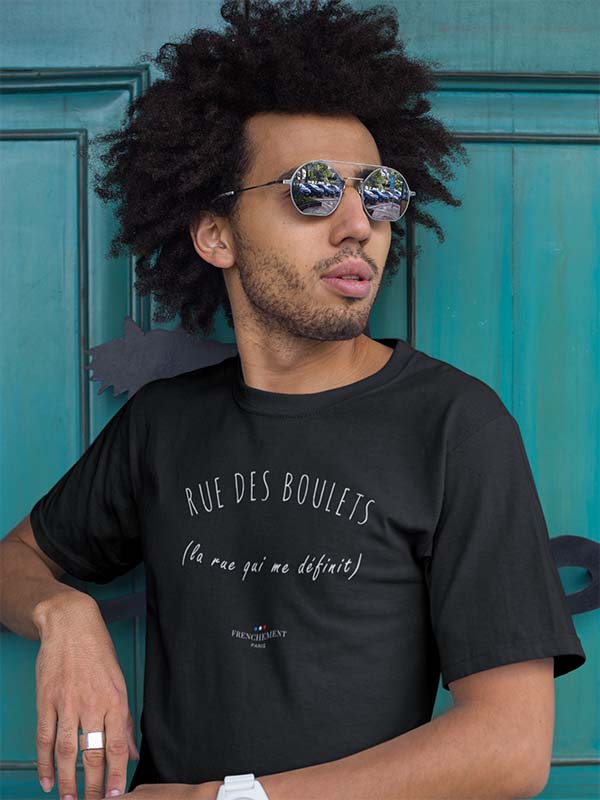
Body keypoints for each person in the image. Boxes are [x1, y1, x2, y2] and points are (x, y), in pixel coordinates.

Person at [0, 1, 586, 799]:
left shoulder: (455, 425)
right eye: (312, 191)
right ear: (217, 235)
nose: (357, 225)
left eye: (378, 193)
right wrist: (62, 614)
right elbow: (16, 561)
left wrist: (226, 799)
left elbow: (511, 746)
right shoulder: (164, 423)